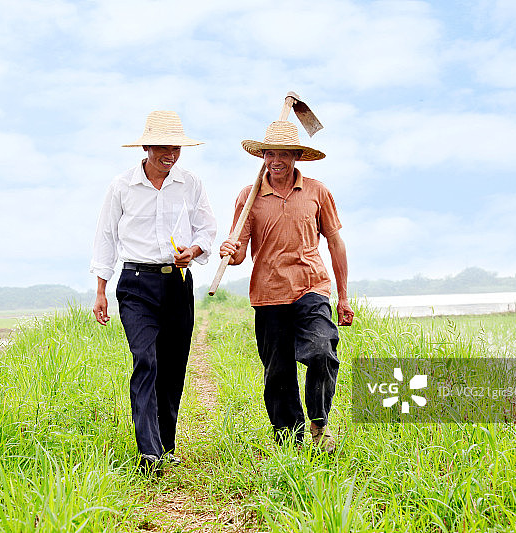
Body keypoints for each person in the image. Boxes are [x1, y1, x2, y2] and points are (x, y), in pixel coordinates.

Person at [90, 110, 217, 472]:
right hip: (135, 285)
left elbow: (207, 229)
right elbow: (105, 238)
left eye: (175, 147)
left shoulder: (190, 183)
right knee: (145, 360)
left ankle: (166, 443)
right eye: (163, 147)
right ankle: (148, 453)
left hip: (177, 283)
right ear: (146, 147)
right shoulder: (122, 186)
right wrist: (101, 289)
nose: (170, 154)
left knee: (173, 365)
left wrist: (192, 251)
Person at [219, 120, 353, 453]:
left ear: (296, 156)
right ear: (262, 155)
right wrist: (229, 250)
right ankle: (289, 444)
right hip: (268, 294)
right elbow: (238, 254)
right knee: (278, 374)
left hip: (312, 286)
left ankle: (319, 424)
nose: (275, 160)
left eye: (283, 154)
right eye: (269, 153)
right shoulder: (248, 198)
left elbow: (335, 243)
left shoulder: (317, 191)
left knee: (323, 350)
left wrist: (344, 297)